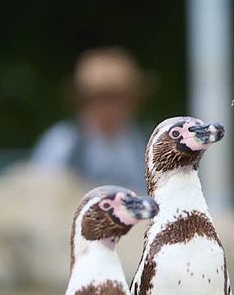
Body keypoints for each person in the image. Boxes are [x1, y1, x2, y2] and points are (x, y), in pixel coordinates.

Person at [31, 47, 148, 192]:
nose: (109, 107)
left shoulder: (146, 142)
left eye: (117, 98)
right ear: (85, 101)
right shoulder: (62, 142)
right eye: (101, 98)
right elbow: (43, 193)